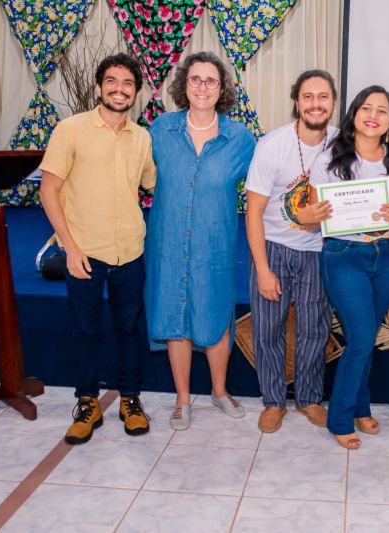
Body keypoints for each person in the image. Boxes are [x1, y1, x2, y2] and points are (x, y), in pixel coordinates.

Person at [39, 53, 155, 445]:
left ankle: (130, 399)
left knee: (129, 328)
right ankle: (87, 402)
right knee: (87, 330)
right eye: (112, 82)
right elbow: (48, 190)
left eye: (128, 84)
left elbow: (153, 184)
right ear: (98, 87)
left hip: (130, 250)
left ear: (136, 93)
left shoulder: (142, 138)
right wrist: (69, 248)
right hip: (84, 251)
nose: (119, 89)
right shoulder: (70, 130)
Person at [145, 51, 256, 431]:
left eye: (211, 80)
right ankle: (182, 399)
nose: (203, 87)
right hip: (168, 245)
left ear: (222, 89)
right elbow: (132, 174)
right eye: (196, 79)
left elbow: (264, 187)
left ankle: (220, 391)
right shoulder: (160, 130)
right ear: (184, 84)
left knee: (216, 316)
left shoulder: (240, 139)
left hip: (215, 246)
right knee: (175, 317)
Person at [306, 85, 389, 449]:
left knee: (363, 337)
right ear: (354, 114)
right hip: (344, 255)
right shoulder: (329, 159)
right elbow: (311, 211)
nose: (373, 116)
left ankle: (361, 406)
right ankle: (339, 418)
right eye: (367, 108)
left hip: (385, 257)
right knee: (364, 337)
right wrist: (314, 213)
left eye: (382, 111)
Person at [244, 70, 338, 433]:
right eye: (308, 96)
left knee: (314, 329)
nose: (316, 104)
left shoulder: (342, 144)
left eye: (323, 97)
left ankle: (309, 399)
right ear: (296, 102)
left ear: (333, 102)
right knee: (268, 329)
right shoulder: (272, 145)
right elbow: (253, 213)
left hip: (319, 251)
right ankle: (273, 401)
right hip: (274, 247)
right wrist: (263, 269)